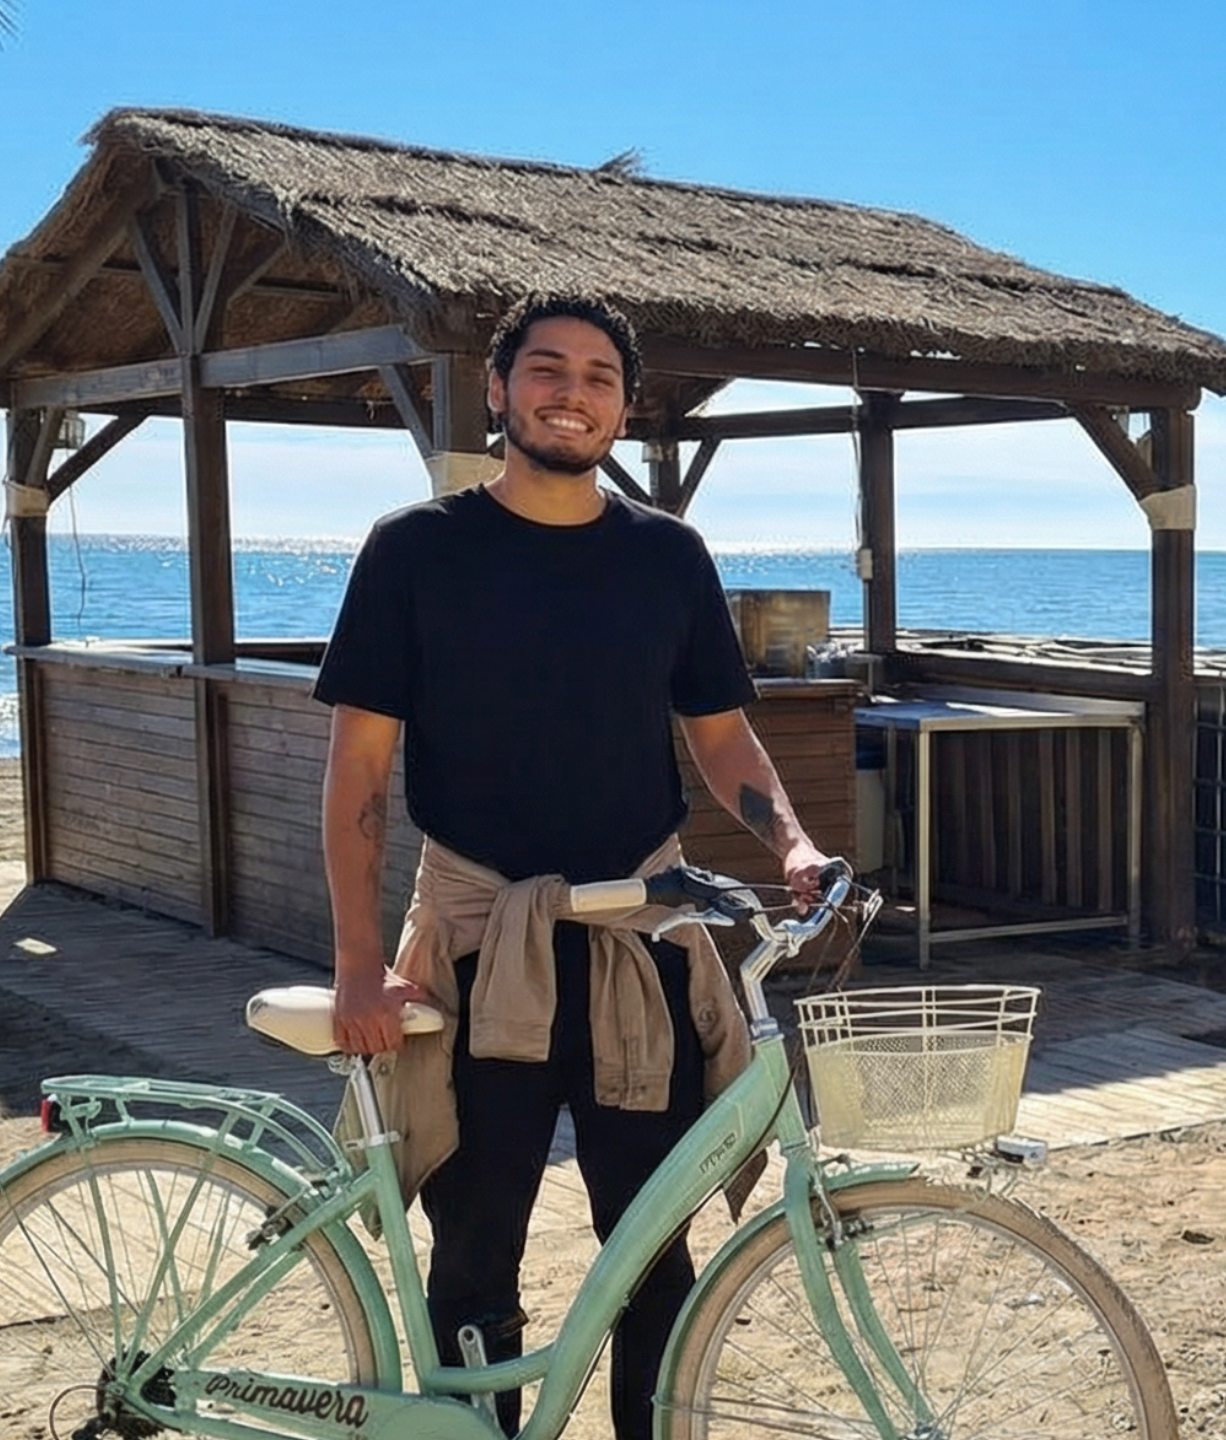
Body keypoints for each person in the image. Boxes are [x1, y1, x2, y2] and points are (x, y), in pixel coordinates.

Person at [316, 294, 831, 1440]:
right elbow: (357, 771)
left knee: (655, 1248)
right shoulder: (417, 549)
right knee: (477, 1245)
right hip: (472, 942)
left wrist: (791, 841)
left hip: (635, 944)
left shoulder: (667, 556)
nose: (573, 391)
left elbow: (719, 731)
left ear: (624, 408)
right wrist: (358, 963)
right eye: (545, 369)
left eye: (599, 376)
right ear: (497, 392)